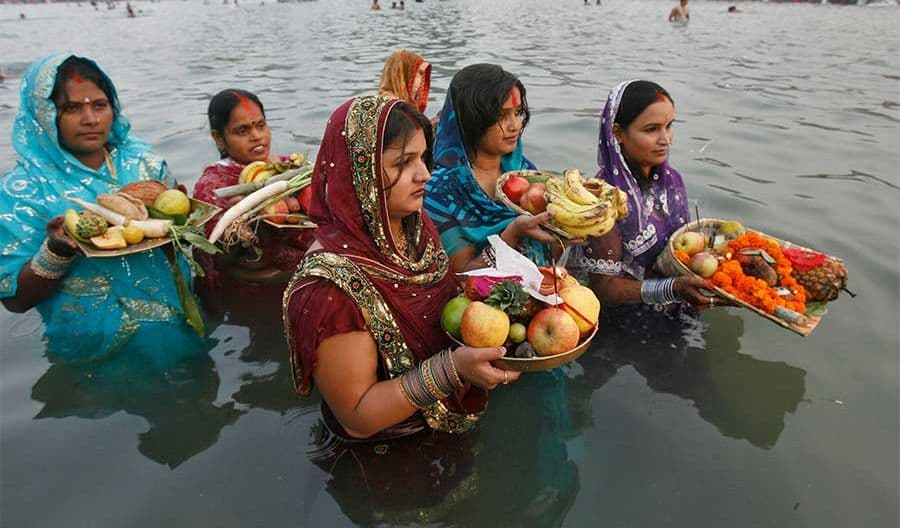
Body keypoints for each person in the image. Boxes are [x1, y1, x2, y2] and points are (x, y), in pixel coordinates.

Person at [284, 95, 520, 441]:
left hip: (446, 426)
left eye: (423, 158)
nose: (425, 174)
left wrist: (512, 251)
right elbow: (358, 416)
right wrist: (452, 369)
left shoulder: (413, 226)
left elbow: (449, 297)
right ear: (359, 173)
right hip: (387, 455)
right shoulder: (328, 288)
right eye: (403, 163)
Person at [0, 54, 205, 367]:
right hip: (92, 351)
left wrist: (184, 222)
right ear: (44, 115)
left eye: (99, 105)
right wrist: (56, 251)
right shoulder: (24, 191)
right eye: (71, 108)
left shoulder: (144, 165)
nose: (91, 119)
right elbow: (15, 299)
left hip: (176, 329)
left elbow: (181, 247)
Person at [576, 80, 713, 311]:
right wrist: (672, 289)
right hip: (626, 323)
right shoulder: (603, 199)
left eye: (669, 126)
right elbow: (603, 288)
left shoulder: (672, 181)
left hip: (680, 304)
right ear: (617, 133)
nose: (666, 139)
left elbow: (683, 251)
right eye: (651, 129)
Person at [423, 64, 558, 272]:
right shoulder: (440, 190)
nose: (515, 126)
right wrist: (512, 234)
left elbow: (548, 255)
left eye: (518, 112)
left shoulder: (524, 171)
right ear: (471, 120)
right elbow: (461, 277)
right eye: (501, 116)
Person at [192, 89, 315, 299]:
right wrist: (241, 222)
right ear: (219, 138)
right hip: (248, 298)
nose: (257, 136)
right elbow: (219, 260)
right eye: (242, 131)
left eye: (261, 125)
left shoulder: (289, 167)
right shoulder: (213, 186)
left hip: (302, 282)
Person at [377, 49, 431, 114]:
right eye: (419, 74)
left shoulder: (380, 101)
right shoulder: (396, 107)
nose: (421, 81)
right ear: (403, 74)